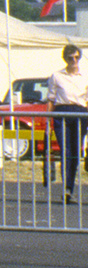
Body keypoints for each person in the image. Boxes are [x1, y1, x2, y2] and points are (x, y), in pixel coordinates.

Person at [46, 44, 85, 204]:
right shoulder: (56, 76)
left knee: (76, 151)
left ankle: (70, 187)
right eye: (70, 58)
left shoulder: (85, 75)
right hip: (62, 113)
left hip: (80, 113)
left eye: (76, 57)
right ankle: (66, 189)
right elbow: (50, 99)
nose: (74, 61)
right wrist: (48, 121)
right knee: (65, 150)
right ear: (65, 59)